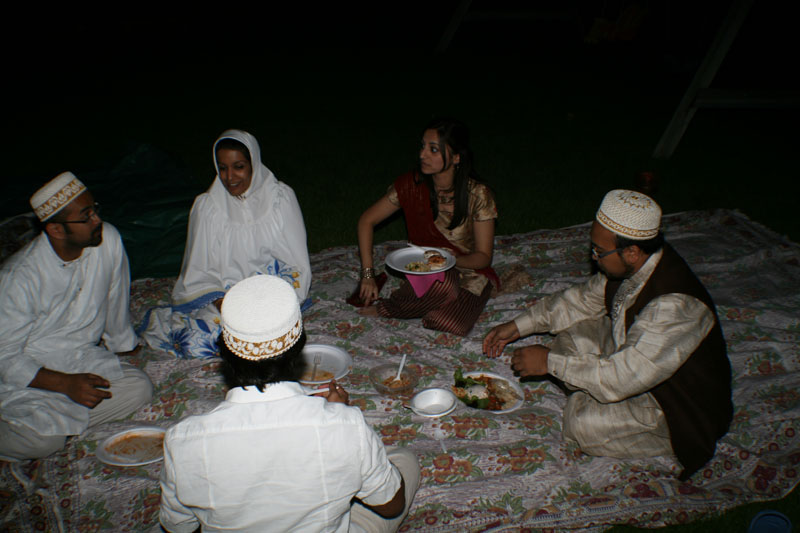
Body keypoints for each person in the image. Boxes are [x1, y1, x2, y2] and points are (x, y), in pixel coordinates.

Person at [483, 189, 733, 480]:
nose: (593, 257)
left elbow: (621, 377)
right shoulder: (636, 265)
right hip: (632, 358)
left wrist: (550, 363)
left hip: (672, 405)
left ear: (632, 252)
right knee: (573, 332)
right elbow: (578, 301)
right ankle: (589, 383)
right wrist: (517, 326)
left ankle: (595, 396)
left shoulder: (675, 308)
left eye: (599, 252)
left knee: (582, 424)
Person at [159, 275, 420, 532]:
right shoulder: (346, 425)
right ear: (298, 348)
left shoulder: (182, 440)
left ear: (225, 353)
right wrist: (337, 414)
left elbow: (178, 528)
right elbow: (391, 506)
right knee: (402, 460)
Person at [0, 172, 153, 461]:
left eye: (94, 209)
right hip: (31, 371)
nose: (97, 220)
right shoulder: (18, 278)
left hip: (79, 357)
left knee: (138, 388)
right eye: (86, 217)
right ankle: (44, 428)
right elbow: (5, 358)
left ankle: (56, 424)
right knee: (41, 443)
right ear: (56, 230)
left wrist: (123, 344)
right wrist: (65, 385)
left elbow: (115, 297)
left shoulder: (107, 240)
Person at [140, 129, 312, 358]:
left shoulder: (281, 199)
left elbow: (296, 263)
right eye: (222, 168)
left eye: (238, 167)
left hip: (270, 291)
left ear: (254, 164)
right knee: (205, 342)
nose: (229, 177)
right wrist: (227, 305)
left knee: (272, 338)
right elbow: (199, 271)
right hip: (226, 297)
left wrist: (273, 301)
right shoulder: (208, 208)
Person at [356, 117, 499, 336]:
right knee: (444, 285)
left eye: (433, 150)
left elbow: (483, 257)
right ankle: (390, 307)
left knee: (448, 324)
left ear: (457, 157)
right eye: (422, 146)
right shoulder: (412, 185)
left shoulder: (478, 195)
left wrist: (451, 260)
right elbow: (367, 221)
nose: (423, 155)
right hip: (427, 272)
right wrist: (368, 274)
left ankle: (426, 304)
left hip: (470, 272)